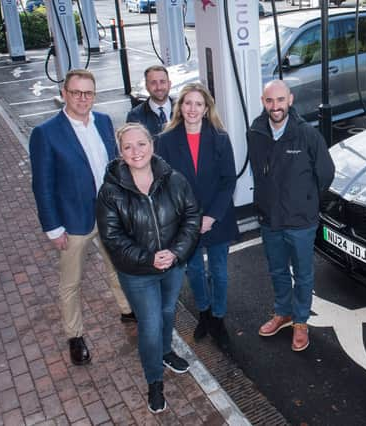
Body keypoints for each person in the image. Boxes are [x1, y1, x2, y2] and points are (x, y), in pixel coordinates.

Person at [29, 69, 136, 367]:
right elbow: (42, 185)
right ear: (64, 93)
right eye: (76, 92)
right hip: (73, 222)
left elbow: (115, 167)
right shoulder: (46, 133)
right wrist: (53, 227)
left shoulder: (103, 121)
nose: (82, 98)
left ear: (94, 95)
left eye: (88, 93)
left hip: (108, 214)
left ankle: (127, 309)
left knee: (117, 266)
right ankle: (75, 335)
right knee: (71, 282)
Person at [96, 123, 201, 414]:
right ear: (120, 152)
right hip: (137, 272)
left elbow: (192, 217)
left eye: (141, 144)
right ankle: (154, 381)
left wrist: (176, 253)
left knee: (168, 312)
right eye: (127, 147)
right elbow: (112, 238)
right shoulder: (110, 192)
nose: (136, 151)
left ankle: (166, 352)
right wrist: (148, 258)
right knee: (151, 324)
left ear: (151, 145)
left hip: (172, 265)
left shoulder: (174, 179)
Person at [246, 80, 335, 352]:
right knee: (277, 270)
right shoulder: (256, 132)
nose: (276, 107)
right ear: (263, 101)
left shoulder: (307, 134)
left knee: (304, 274)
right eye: (270, 101)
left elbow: (326, 174)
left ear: (290, 100)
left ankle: (300, 322)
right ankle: (282, 313)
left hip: (300, 221)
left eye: (281, 100)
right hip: (270, 219)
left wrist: (305, 200)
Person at [156, 83, 239, 349]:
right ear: (180, 107)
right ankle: (203, 312)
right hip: (184, 221)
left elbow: (228, 181)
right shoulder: (166, 140)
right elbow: (163, 184)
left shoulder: (220, 138)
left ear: (206, 109)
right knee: (194, 270)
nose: (192, 109)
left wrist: (212, 216)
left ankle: (218, 317)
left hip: (218, 216)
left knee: (219, 272)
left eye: (198, 104)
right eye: (187, 103)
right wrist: (188, 219)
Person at [126, 65, 173, 138]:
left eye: (162, 82)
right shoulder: (135, 116)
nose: (159, 87)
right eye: (153, 83)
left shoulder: (183, 109)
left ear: (169, 84)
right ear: (146, 86)